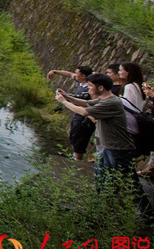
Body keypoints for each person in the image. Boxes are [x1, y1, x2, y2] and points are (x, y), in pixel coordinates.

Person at [56, 73, 152, 218]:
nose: (88, 89)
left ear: (100, 87)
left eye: (90, 86)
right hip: (109, 147)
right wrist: (68, 97)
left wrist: (63, 102)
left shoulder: (111, 103)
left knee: (130, 182)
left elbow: (83, 111)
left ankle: (147, 213)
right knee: (103, 173)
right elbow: (87, 103)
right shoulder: (106, 99)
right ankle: (106, 202)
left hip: (119, 149)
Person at [47, 65, 95, 160]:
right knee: (74, 136)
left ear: (83, 76)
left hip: (85, 118)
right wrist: (54, 71)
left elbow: (81, 100)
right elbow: (69, 74)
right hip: (77, 114)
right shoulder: (80, 82)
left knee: (80, 139)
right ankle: (75, 157)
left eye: (77, 73)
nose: (75, 74)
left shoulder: (89, 89)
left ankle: (77, 160)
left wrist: (65, 98)